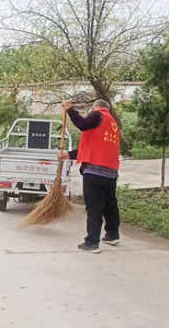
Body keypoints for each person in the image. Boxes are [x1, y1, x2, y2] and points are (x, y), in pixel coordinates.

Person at [57, 99, 120, 254]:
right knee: (110, 205)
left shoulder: (97, 115)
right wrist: (68, 155)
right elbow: (93, 147)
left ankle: (92, 242)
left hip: (94, 171)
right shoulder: (112, 124)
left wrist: (70, 109)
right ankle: (113, 234)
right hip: (111, 173)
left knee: (94, 207)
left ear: (94, 108)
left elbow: (83, 124)